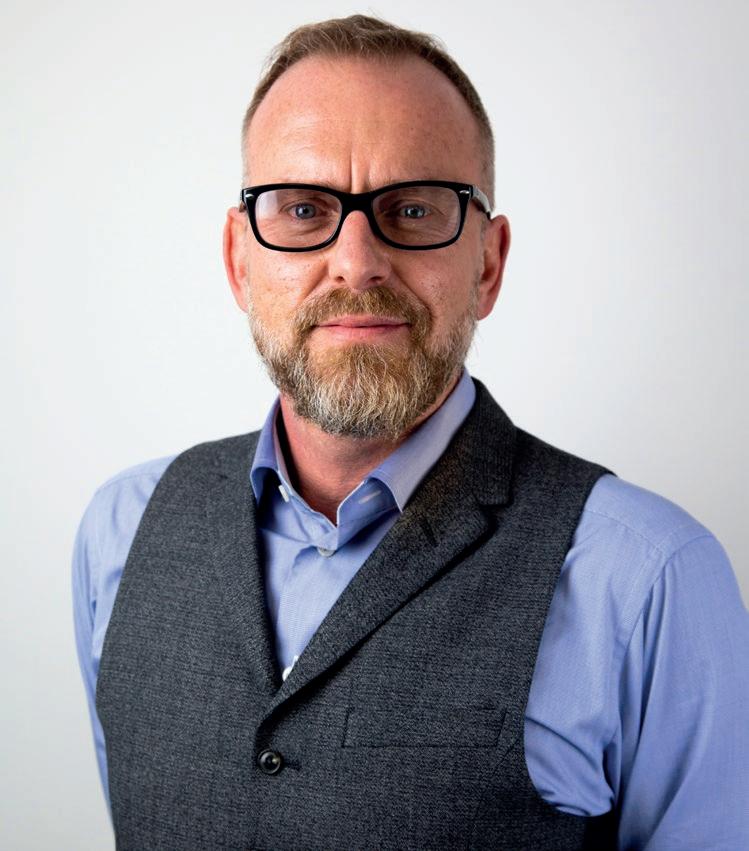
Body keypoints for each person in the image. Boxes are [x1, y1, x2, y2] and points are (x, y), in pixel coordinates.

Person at [72, 14, 749, 851]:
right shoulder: (121, 533)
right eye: (302, 208)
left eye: (414, 208)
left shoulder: (646, 579)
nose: (356, 261)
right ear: (240, 262)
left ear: (487, 264)